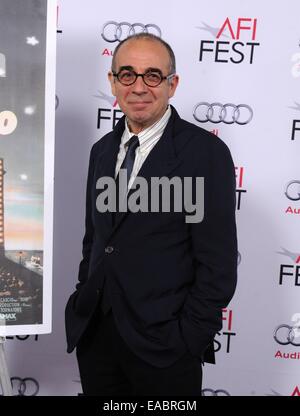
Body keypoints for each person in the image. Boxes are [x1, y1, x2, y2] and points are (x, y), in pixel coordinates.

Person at [65, 33, 237, 396]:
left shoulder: (205, 153)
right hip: (97, 340)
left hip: (166, 349)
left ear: (172, 84)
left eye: (152, 76)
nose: (139, 86)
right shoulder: (102, 150)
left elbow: (218, 265)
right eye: (127, 74)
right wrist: (85, 295)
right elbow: (95, 240)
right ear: (113, 82)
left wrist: (187, 337)